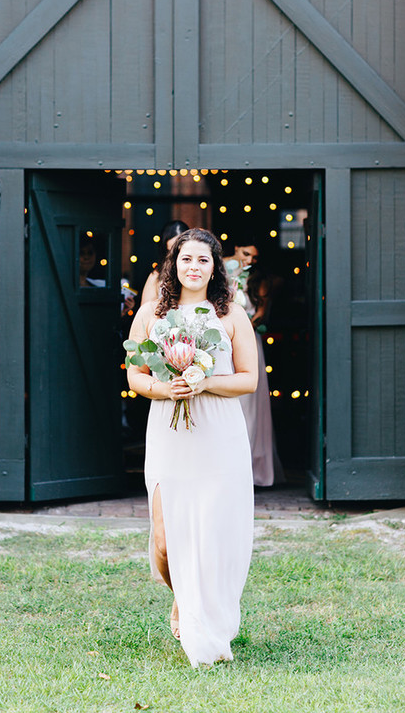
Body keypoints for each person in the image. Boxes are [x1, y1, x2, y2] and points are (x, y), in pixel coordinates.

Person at [126, 228, 258, 667]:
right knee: (164, 541)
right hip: (168, 433)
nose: (194, 267)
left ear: (215, 267)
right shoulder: (150, 314)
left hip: (219, 436)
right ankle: (181, 594)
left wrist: (205, 382)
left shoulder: (231, 315)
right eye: (186, 259)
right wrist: (166, 391)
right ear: (173, 265)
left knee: (212, 534)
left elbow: (248, 379)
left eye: (203, 260)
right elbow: (136, 376)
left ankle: (203, 615)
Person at [224, 239, 285, 487]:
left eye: (254, 257)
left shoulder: (259, 280)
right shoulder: (218, 270)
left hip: (248, 343)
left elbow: (261, 314)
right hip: (223, 344)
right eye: (246, 254)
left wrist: (241, 327)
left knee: (250, 406)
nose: (249, 261)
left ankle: (250, 469)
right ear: (236, 249)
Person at [140, 219, 189, 305]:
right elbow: (146, 311)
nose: (176, 255)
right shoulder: (156, 275)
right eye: (171, 251)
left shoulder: (196, 271)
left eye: (180, 250)